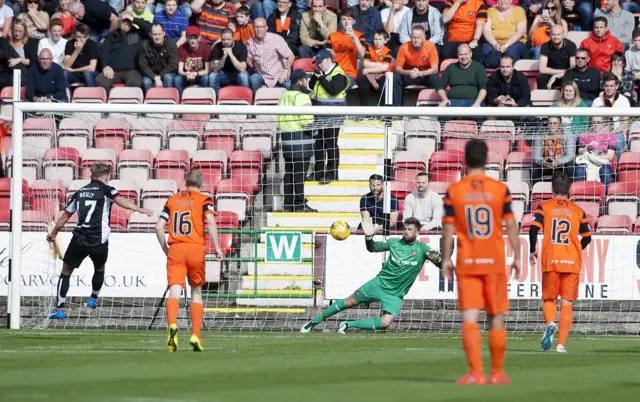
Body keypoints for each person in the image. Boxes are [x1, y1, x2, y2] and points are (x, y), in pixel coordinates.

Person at [442, 138, 521, 385]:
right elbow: (510, 225)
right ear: (487, 160)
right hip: (494, 261)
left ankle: (475, 373)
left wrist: (445, 258)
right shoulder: (500, 189)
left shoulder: (455, 191)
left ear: (465, 160)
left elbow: (448, 228)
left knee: (469, 318)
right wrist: (517, 256)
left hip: (468, 262)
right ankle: (497, 373)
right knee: (496, 316)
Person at [299, 216, 442, 333]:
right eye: (404, 229)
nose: (406, 232)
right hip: (378, 284)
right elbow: (372, 248)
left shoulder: (423, 248)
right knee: (349, 302)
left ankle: (347, 324)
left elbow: (440, 263)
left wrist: (439, 261)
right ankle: (313, 322)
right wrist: (368, 238)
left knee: (386, 322)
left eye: (410, 229)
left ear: (417, 233)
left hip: (395, 294)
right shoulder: (394, 243)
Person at [46, 163, 153, 320]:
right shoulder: (107, 190)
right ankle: (92, 300)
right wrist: (138, 209)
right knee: (100, 268)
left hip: (80, 239)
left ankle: (59, 309)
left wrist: (54, 233)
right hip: (99, 239)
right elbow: (120, 200)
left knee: (66, 271)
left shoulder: (80, 193)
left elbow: (64, 216)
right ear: (107, 176)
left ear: (91, 175)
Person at [155, 170, 223, 352]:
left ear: (185, 182)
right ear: (201, 185)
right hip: (195, 249)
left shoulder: (172, 200)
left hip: (176, 248)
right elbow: (210, 221)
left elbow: (159, 226)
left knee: (174, 291)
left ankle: (172, 325)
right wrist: (216, 247)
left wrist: (165, 249)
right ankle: (195, 335)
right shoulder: (204, 199)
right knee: (196, 292)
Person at [530, 171, 592, 353]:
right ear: (569, 189)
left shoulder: (545, 206)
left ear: (552, 188)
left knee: (549, 299)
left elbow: (533, 229)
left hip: (551, 259)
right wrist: (576, 249)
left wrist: (532, 249)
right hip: (571, 261)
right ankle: (561, 345)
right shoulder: (578, 211)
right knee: (567, 303)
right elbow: (587, 237)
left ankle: (550, 323)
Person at [278, 69, 317, 213]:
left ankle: (288, 204)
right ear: (299, 81)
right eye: (305, 79)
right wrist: (316, 129)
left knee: (289, 174)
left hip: (287, 140)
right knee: (300, 175)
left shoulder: (284, 96)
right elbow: (307, 120)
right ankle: (300, 204)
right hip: (301, 141)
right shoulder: (301, 97)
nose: (307, 81)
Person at [309, 49, 349, 184]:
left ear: (328, 60)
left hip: (333, 117)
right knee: (319, 145)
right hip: (320, 116)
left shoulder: (339, 75)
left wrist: (321, 78)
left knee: (330, 145)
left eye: (320, 62)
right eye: (317, 62)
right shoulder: (322, 73)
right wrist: (316, 77)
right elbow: (310, 86)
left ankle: (332, 173)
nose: (318, 65)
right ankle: (318, 172)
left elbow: (333, 90)